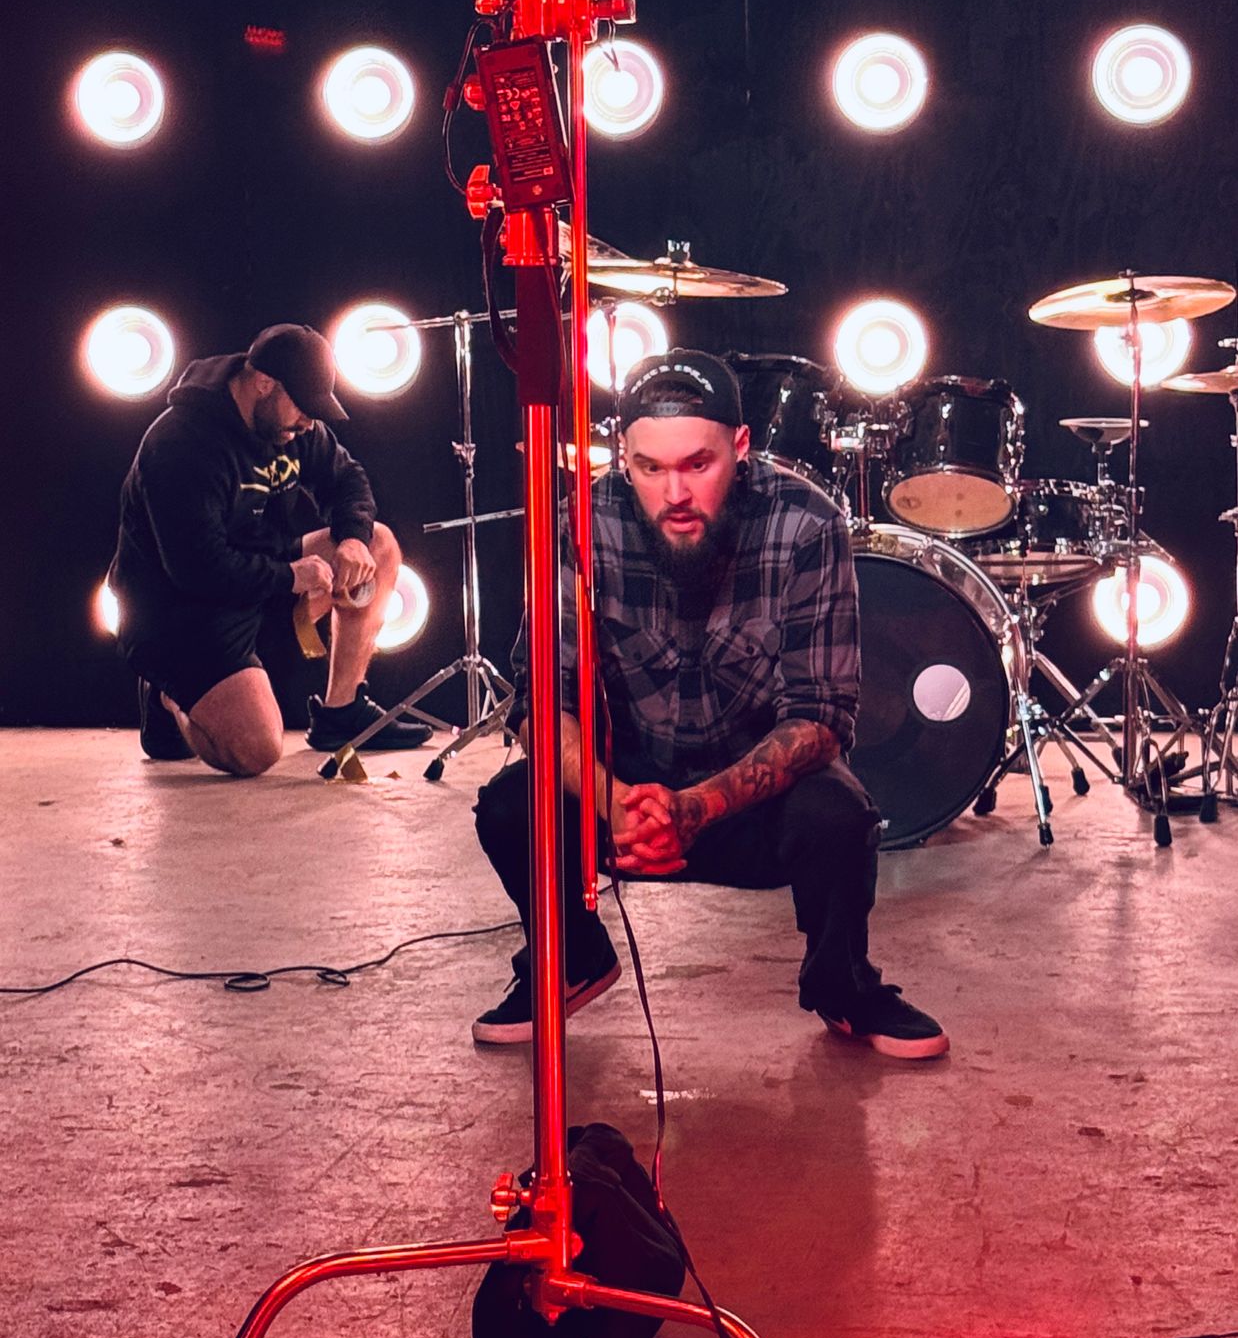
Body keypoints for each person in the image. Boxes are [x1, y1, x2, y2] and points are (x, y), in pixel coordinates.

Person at [473, 349, 947, 1059]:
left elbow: (821, 719)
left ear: (742, 446)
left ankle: (843, 984)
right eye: (649, 467)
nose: (675, 493)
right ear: (622, 456)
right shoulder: (580, 524)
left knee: (839, 816)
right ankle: (570, 956)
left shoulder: (807, 524)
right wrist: (612, 800)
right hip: (626, 791)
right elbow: (542, 700)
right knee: (511, 805)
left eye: (698, 464)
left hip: (750, 801)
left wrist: (694, 809)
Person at [111, 322, 431, 774]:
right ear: (264, 383)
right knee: (257, 751)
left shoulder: (294, 429)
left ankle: (340, 714)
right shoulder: (180, 444)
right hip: (181, 613)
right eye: (302, 407)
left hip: (259, 576)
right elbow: (198, 569)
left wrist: (352, 539)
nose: (308, 423)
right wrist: (291, 577)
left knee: (377, 544)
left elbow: (347, 478)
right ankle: (171, 695)